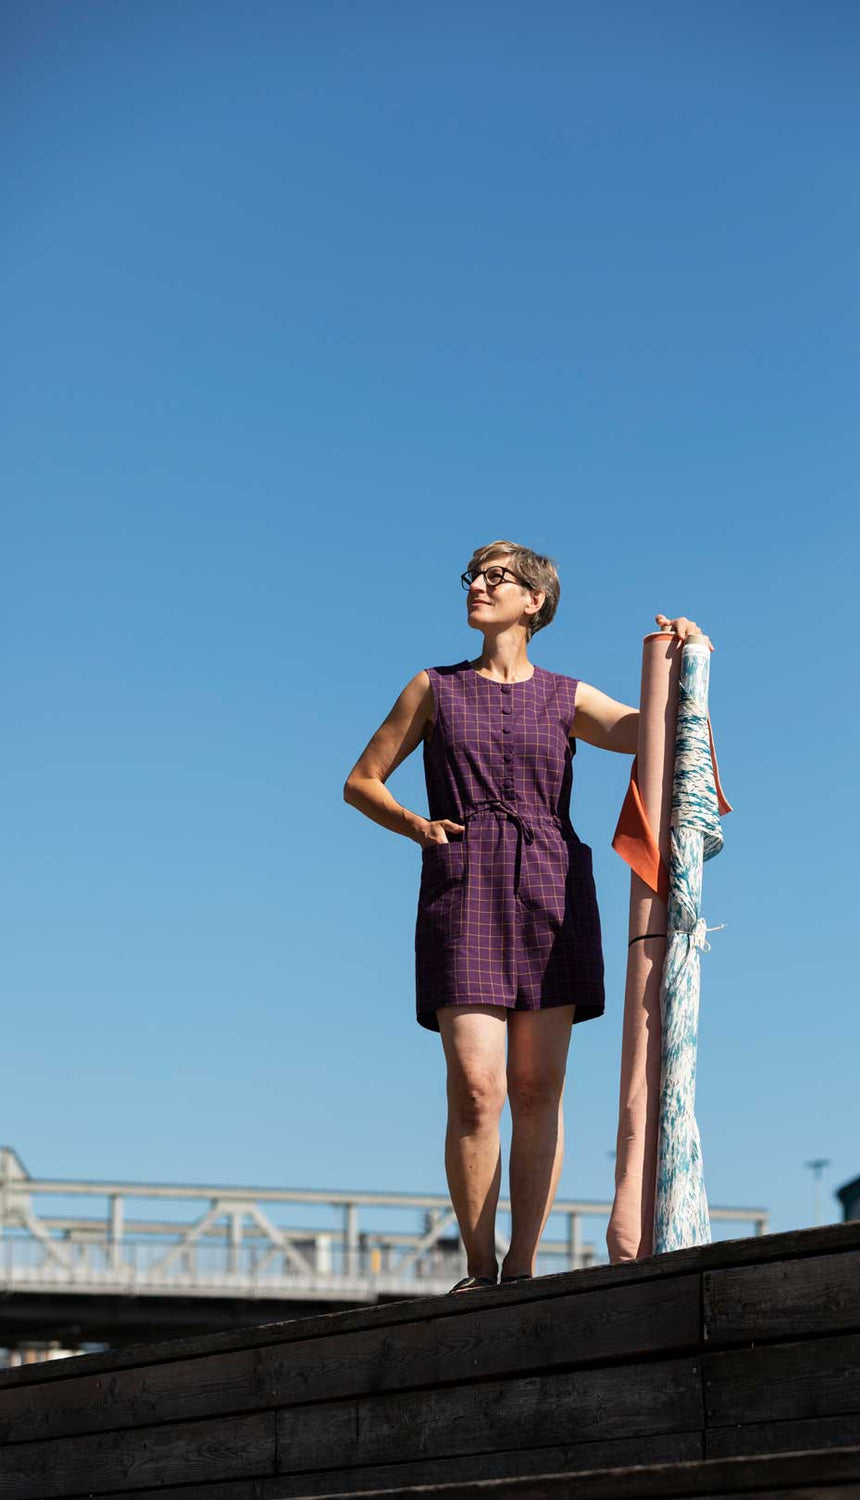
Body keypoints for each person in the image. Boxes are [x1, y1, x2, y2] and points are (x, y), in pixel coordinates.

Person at [343, 540, 710, 1291]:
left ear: (534, 600)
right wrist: (419, 826)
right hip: (465, 882)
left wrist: (688, 660)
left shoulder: (566, 696)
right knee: (477, 1086)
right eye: (473, 577)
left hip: (553, 887)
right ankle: (479, 1271)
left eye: (496, 578)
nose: (478, 586)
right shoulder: (432, 688)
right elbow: (362, 781)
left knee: (538, 1086)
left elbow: (649, 729)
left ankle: (522, 1267)